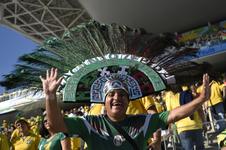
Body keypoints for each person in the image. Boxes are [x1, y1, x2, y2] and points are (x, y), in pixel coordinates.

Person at [40, 68, 210, 150]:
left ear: (129, 101)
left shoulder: (141, 122)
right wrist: (50, 96)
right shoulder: (90, 123)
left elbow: (173, 115)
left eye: (122, 95)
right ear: (103, 102)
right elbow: (55, 125)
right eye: (111, 95)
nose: (117, 98)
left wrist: (201, 99)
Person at [165, 85, 205, 150]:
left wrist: (170, 128)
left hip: (182, 128)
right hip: (196, 125)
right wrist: (204, 123)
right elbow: (200, 110)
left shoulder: (170, 97)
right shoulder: (191, 94)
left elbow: (169, 114)